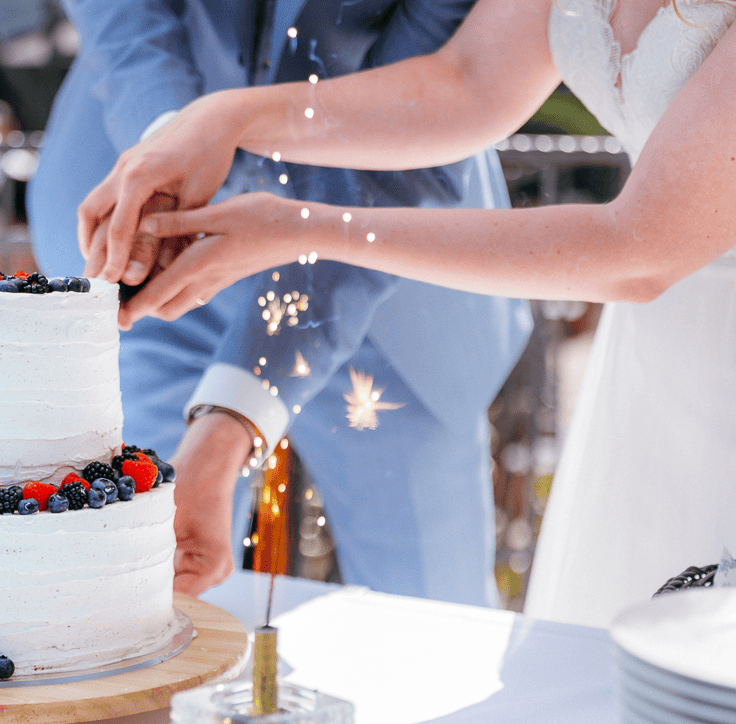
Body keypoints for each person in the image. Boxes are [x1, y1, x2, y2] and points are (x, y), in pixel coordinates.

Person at [81, 0, 736, 628]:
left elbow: (637, 251)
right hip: (657, 370)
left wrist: (308, 228)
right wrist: (224, 118)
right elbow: (465, 81)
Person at [30, 0, 532, 604]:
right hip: (144, 258)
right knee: (145, 592)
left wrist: (226, 427)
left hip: (389, 289)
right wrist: (166, 139)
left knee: (429, 617)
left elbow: (436, 103)